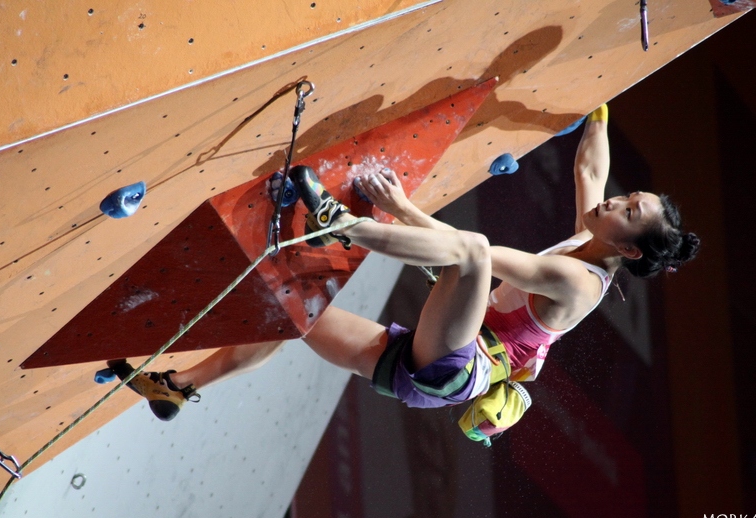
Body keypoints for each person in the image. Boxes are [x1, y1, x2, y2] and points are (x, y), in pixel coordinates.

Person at [121, 104, 700, 426]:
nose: (614, 203)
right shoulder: (588, 239)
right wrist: (600, 103)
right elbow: (588, 172)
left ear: (627, 250)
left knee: (471, 249)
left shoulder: (577, 280)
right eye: (630, 197)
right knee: (292, 314)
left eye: (628, 211)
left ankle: (338, 223)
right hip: (431, 367)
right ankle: (178, 387)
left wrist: (397, 210)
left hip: (457, 367)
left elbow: (473, 254)